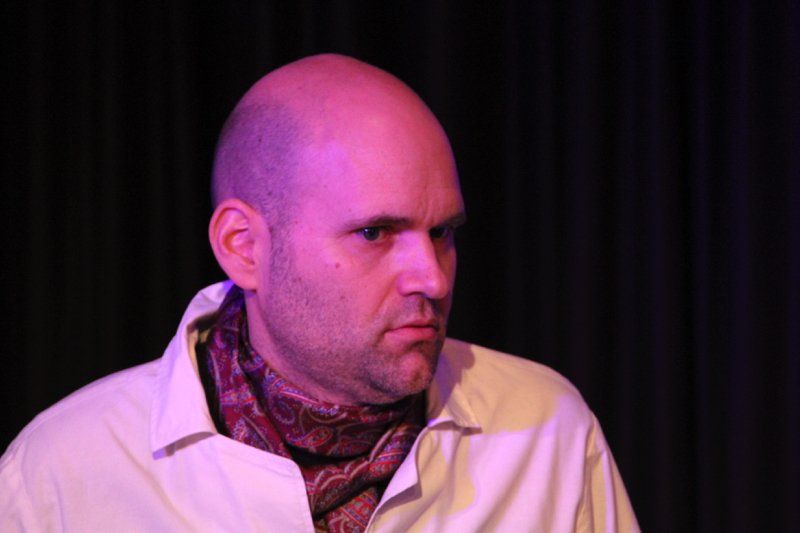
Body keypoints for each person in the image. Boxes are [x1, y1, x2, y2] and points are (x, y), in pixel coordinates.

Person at [0, 54, 639, 532]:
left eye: (441, 232)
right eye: (374, 233)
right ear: (243, 247)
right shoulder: (65, 472)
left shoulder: (546, 431)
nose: (433, 278)